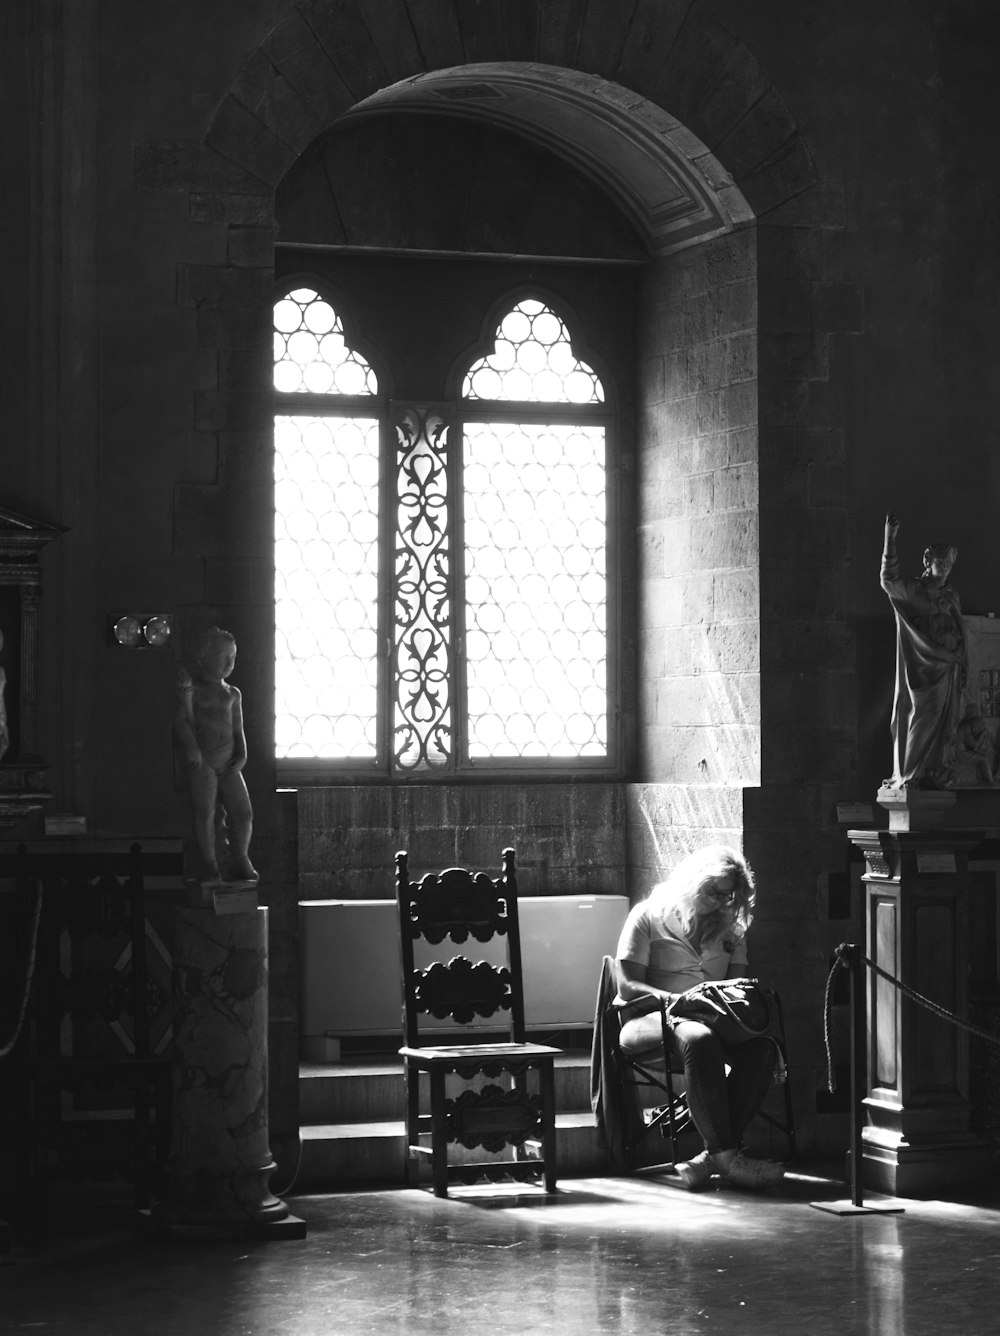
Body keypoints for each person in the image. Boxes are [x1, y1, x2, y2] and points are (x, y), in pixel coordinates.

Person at [615, 844, 784, 1191]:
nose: (722, 902)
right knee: (698, 1037)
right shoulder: (649, 915)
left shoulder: (733, 931)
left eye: (730, 897)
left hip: (713, 1021)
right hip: (649, 1019)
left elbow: (738, 988)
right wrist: (678, 1000)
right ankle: (727, 1158)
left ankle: (714, 1158)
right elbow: (627, 985)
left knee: (763, 1050)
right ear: (694, 882)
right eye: (715, 892)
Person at [880, 512, 966, 789]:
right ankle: (909, 774)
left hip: (948, 667)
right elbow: (889, 581)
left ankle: (934, 772)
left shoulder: (951, 596)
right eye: (939, 562)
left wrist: (961, 657)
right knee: (922, 714)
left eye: (948, 563)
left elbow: (960, 630)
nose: (944, 568)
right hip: (922, 666)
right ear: (928, 563)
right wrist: (889, 540)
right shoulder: (916, 590)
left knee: (945, 721)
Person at [174, 626, 258, 884]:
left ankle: (240, 856)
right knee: (205, 813)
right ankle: (209, 864)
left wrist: (242, 756)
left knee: (243, 813)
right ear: (204, 657)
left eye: (233, 657)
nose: (230, 663)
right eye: (223, 656)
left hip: (229, 763)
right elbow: (182, 721)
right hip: (204, 764)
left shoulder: (232, 694)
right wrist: (192, 748)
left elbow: (238, 729)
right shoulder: (193, 691)